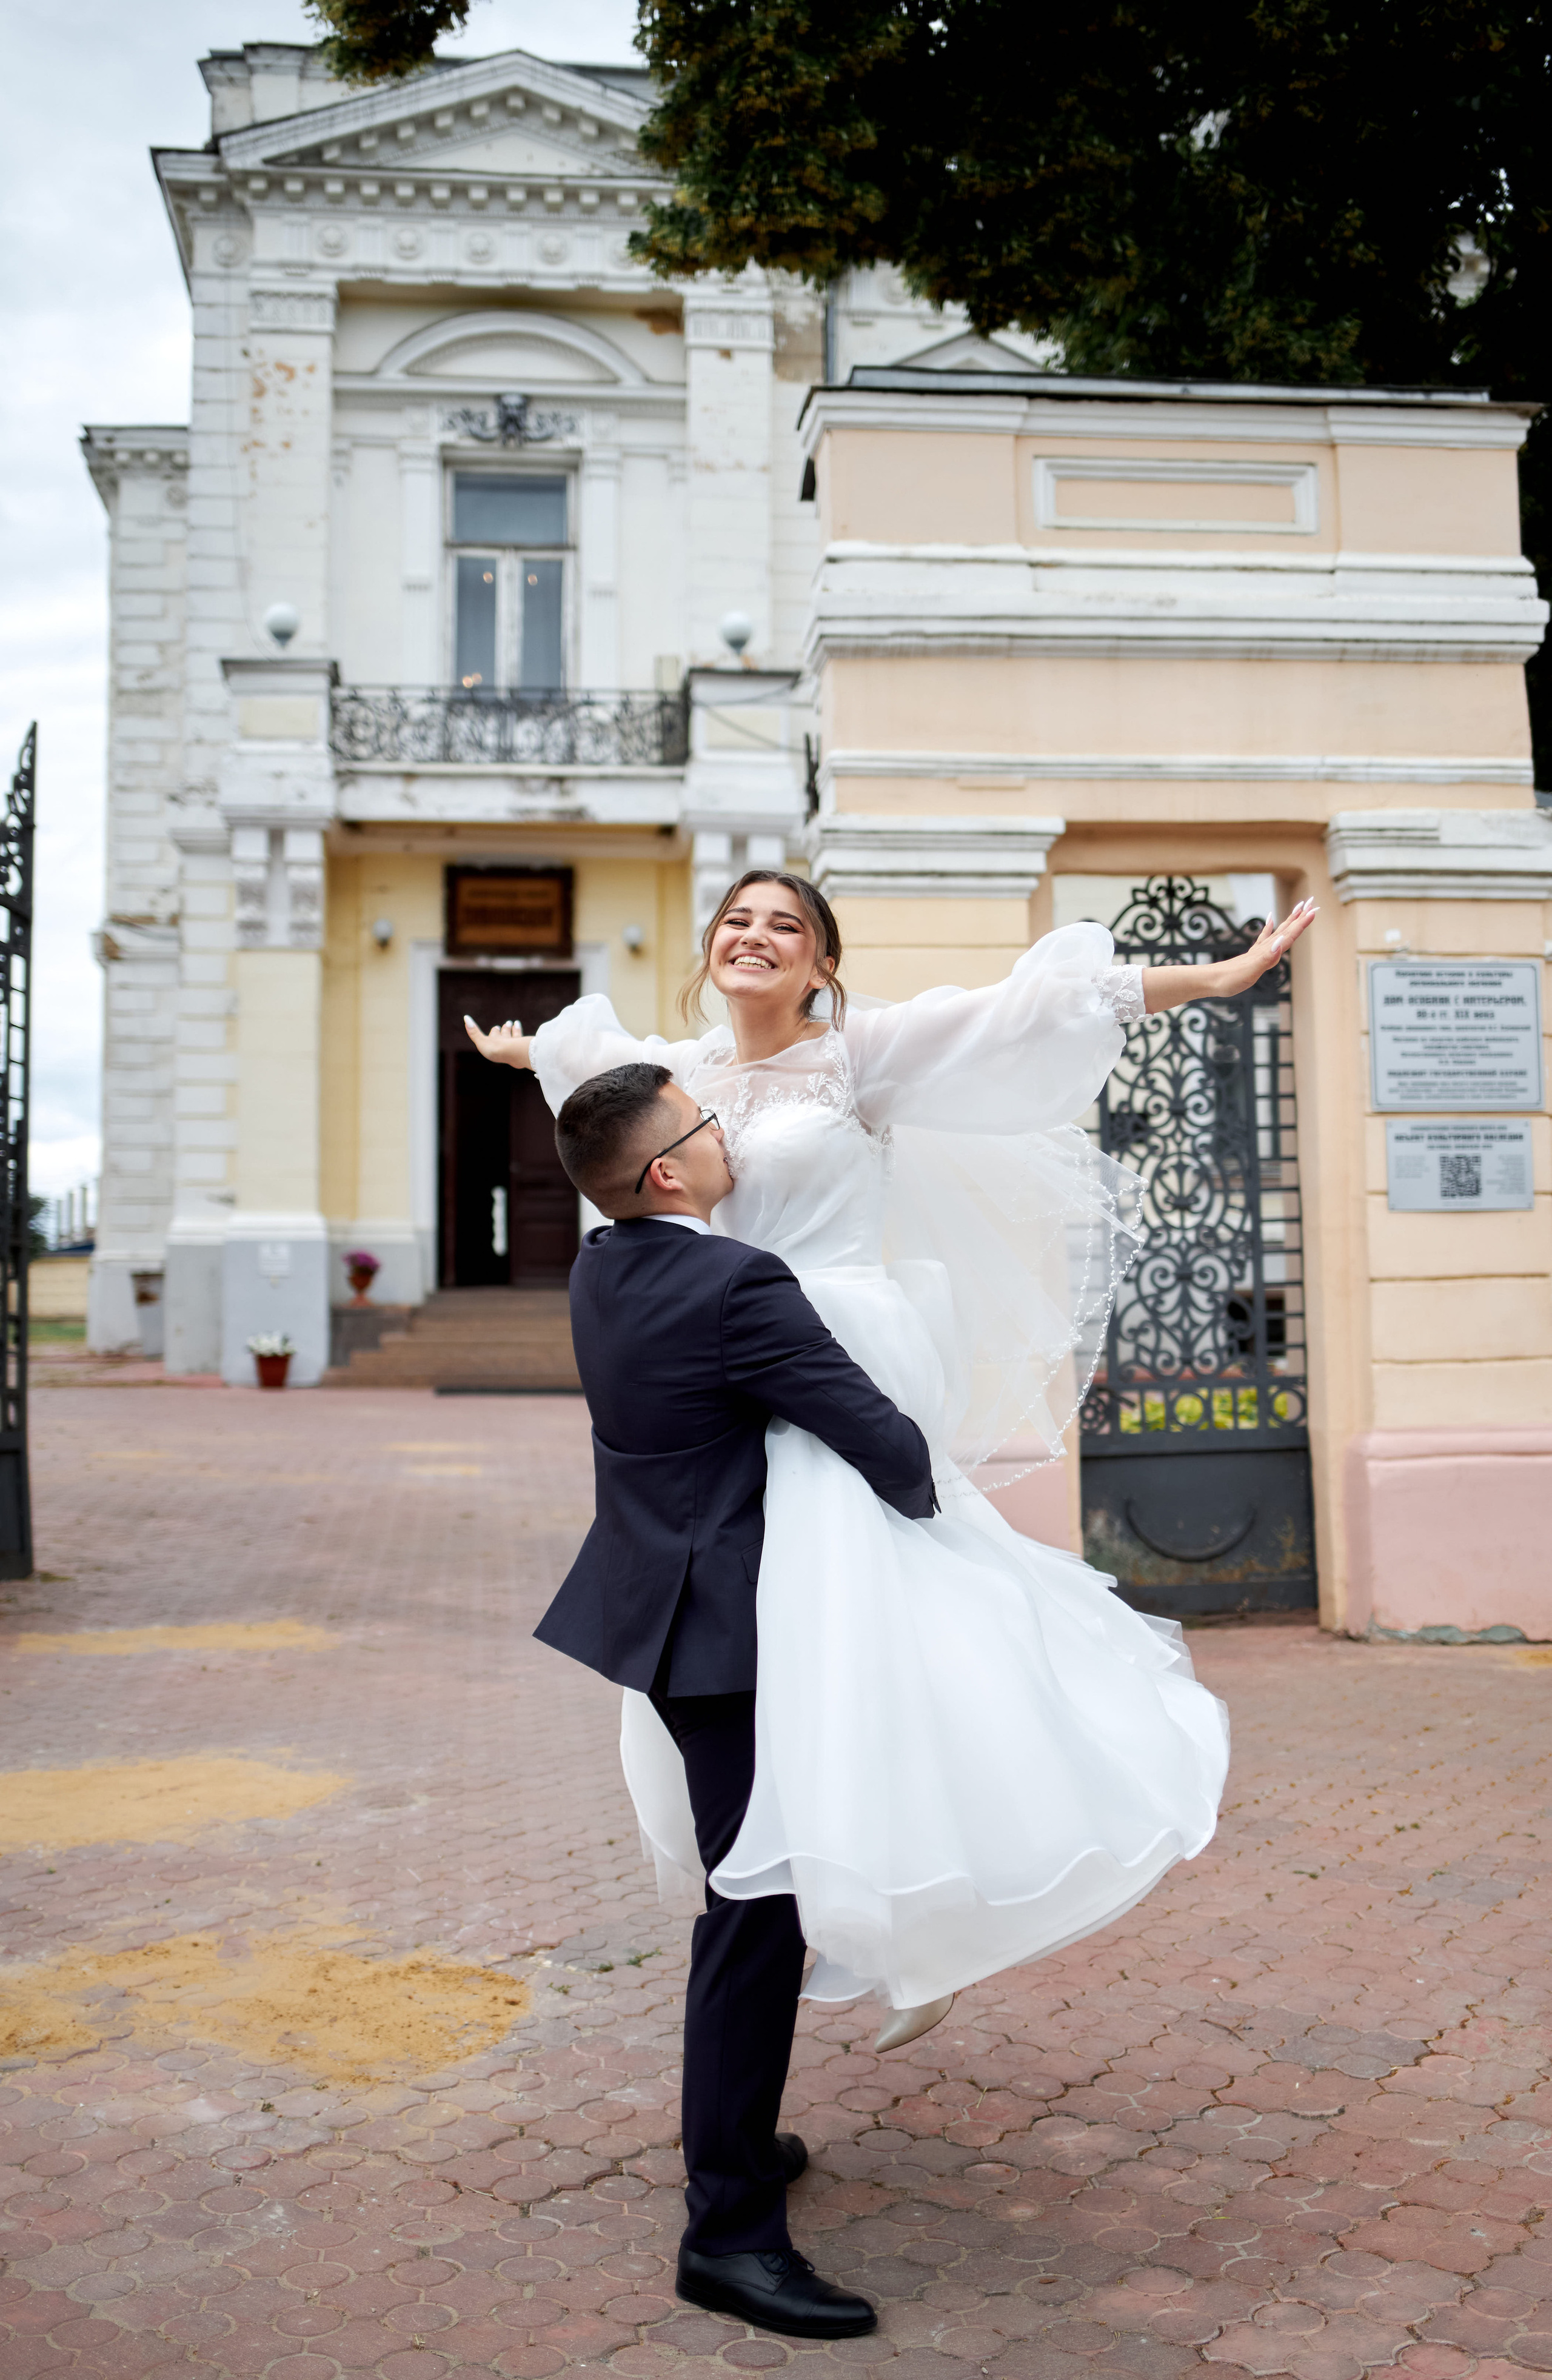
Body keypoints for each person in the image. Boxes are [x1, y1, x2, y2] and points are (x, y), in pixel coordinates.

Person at [467, 877, 1316, 2043]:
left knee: (890, 1636)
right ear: (710, 950)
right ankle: (844, 1897)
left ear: (820, 965)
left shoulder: (861, 1051)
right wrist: (529, 1053)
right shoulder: (683, 1069)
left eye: (787, 926)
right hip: (732, 1382)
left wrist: (1208, 980)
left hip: (844, 1362)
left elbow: (1022, 1012)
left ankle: (930, 1914)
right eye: (737, 921)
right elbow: (596, 1081)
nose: (755, 937)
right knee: (779, 1659)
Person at [537, 1058, 937, 2339]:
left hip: (661, 1621)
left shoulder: (601, 1267)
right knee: (754, 1915)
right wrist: (931, 1501)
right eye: (707, 1129)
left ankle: (744, 2148)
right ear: (667, 1172)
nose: (726, 1139)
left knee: (754, 1901)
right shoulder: (732, 1279)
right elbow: (877, 1435)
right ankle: (726, 2231)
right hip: (724, 1639)